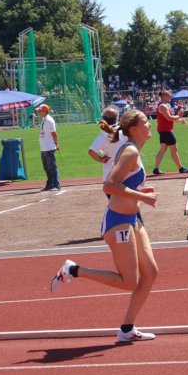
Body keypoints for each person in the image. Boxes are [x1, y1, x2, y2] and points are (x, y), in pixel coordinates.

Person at [51, 110, 159, 342]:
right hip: (118, 222)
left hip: (133, 219)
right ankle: (73, 270)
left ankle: (127, 329)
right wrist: (143, 197)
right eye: (146, 122)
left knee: (150, 273)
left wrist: (140, 191)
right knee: (130, 281)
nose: (150, 125)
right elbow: (109, 186)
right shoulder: (130, 151)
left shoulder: (134, 150)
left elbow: (124, 184)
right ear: (133, 128)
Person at [152, 90, 188, 175]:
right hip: (167, 131)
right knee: (174, 150)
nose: (171, 98)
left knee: (163, 150)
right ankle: (181, 168)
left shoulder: (165, 106)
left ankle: (156, 168)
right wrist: (179, 115)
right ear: (164, 96)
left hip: (163, 131)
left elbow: (171, 118)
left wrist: (180, 120)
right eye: (169, 96)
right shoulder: (163, 106)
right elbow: (169, 118)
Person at [88, 105, 126, 183]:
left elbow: (91, 151)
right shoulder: (126, 131)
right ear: (117, 117)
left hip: (110, 173)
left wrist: (101, 159)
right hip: (127, 170)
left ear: (103, 119)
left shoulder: (104, 135)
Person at [36, 104, 61, 191]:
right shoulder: (44, 119)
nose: (38, 112)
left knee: (52, 167)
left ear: (44, 111)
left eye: (39, 111)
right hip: (44, 147)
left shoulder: (49, 120)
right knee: (46, 168)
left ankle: (56, 185)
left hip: (49, 147)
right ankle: (50, 184)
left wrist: (56, 144)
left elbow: (54, 133)